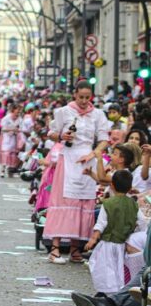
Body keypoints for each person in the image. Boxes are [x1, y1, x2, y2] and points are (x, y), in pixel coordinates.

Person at [44, 81, 109, 264]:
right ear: (75, 95)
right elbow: (51, 133)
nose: (83, 101)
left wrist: (94, 153)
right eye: (81, 97)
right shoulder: (64, 111)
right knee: (64, 200)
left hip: (87, 160)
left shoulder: (97, 114)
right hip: (69, 158)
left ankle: (75, 248)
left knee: (83, 203)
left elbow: (104, 139)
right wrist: (61, 137)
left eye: (87, 97)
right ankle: (55, 248)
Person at [85, 170, 145, 293]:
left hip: (108, 243)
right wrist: (135, 233)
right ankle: (120, 291)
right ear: (130, 187)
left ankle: (109, 293)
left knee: (107, 269)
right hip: (124, 243)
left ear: (111, 185)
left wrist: (93, 239)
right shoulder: (133, 204)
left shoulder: (108, 204)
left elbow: (101, 224)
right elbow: (142, 221)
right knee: (121, 270)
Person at [0, 104, 21, 178]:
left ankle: (9, 170)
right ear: (13, 110)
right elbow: (3, 129)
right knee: (5, 154)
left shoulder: (19, 119)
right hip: (6, 138)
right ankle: (2, 170)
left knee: (12, 155)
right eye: (17, 111)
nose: (18, 113)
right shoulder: (6, 118)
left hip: (14, 139)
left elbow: (21, 128)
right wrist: (12, 129)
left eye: (19, 111)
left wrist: (17, 131)